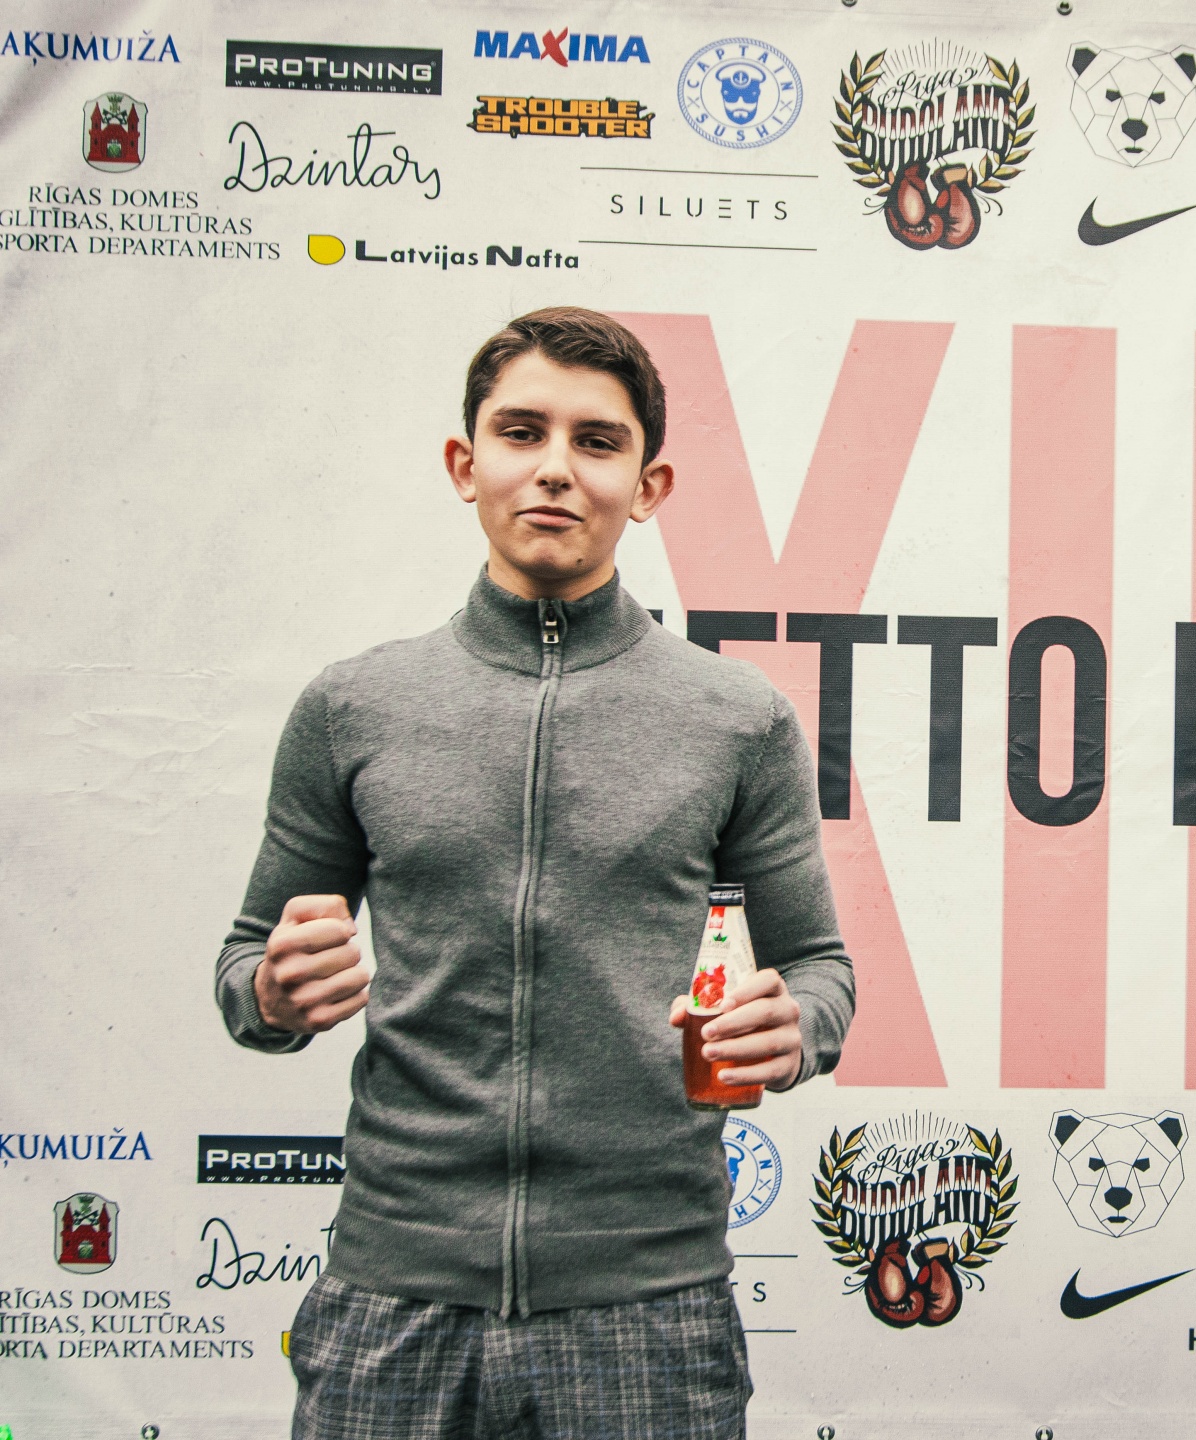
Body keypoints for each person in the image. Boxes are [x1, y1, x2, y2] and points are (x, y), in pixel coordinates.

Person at [213, 306, 854, 1440]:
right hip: (392, 1298)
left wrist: (795, 1026)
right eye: (522, 432)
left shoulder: (737, 718)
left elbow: (820, 967)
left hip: (649, 1312)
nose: (556, 467)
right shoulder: (353, 707)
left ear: (648, 487)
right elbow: (244, 966)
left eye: (597, 442)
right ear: (467, 466)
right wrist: (270, 993)